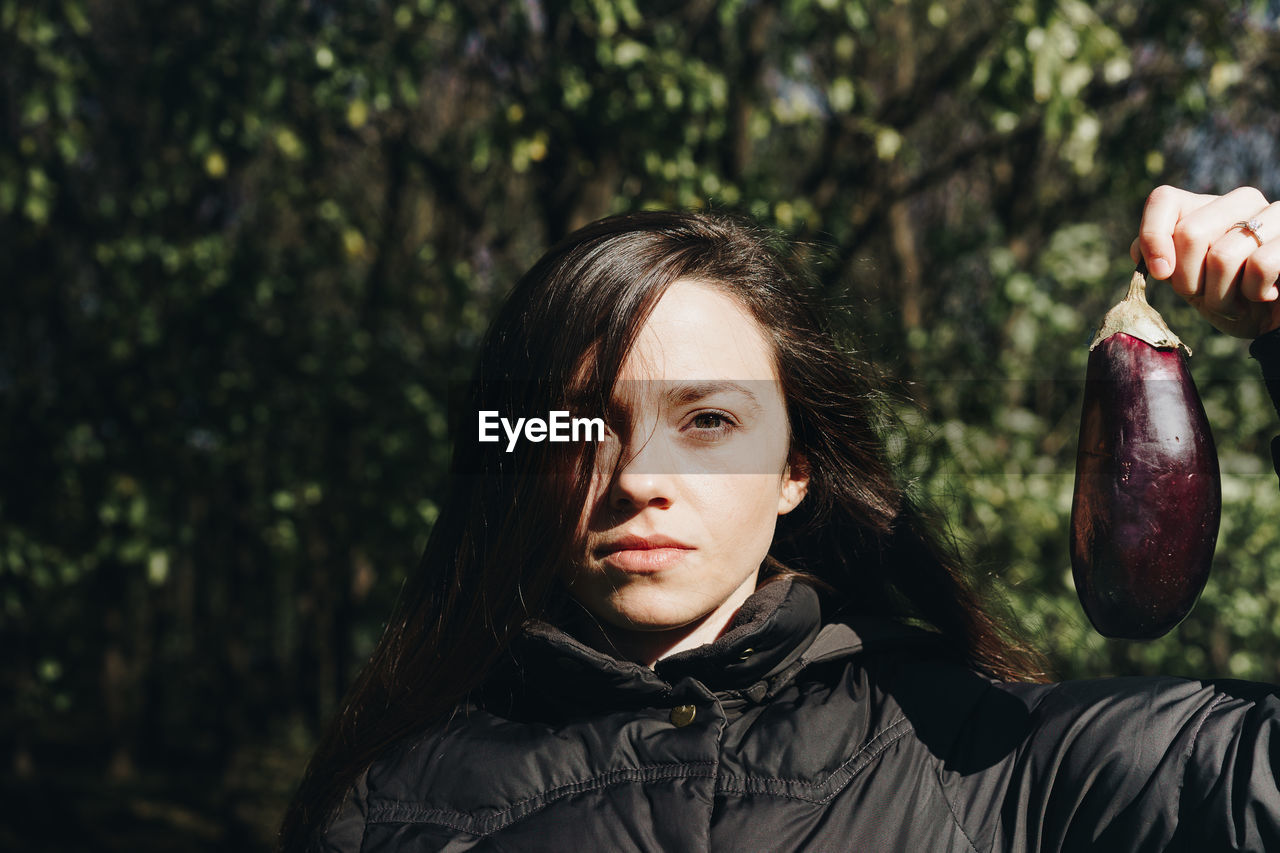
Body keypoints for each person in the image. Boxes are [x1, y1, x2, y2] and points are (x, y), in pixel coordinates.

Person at [281, 185, 1280, 852]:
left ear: (795, 469)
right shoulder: (383, 812)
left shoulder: (992, 762)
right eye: (585, 425)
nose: (639, 478)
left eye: (708, 419)